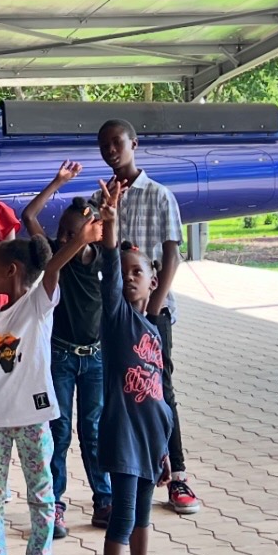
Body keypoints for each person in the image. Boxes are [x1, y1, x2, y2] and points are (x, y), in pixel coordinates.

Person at [0, 221, 102, 555]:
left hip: (33, 416)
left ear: (10, 271)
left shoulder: (38, 304)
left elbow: (53, 267)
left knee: (41, 496)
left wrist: (80, 239)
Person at [97, 119, 200, 516]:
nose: (110, 149)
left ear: (133, 143)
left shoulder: (159, 195)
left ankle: (177, 475)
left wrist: (155, 306)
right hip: (118, 315)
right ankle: (131, 471)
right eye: (103, 144)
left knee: (161, 390)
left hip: (153, 312)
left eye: (117, 142)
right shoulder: (101, 196)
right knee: (124, 389)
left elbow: (173, 254)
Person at [92, 180, 176, 555]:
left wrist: (164, 451)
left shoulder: (154, 330)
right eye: (122, 271)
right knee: (123, 520)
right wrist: (111, 219)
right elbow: (108, 262)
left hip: (149, 440)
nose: (127, 276)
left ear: (153, 277)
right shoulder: (118, 318)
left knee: (145, 519)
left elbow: (160, 394)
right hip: (123, 436)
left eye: (136, 271)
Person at [23, 162, 113, 536]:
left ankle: (104, 500)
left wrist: (108, 218)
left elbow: (111, 243)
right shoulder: (54, 259)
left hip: (94, 359)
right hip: (59, 357)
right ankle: (54, 503)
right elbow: (29, 215)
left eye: (73, 233)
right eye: (62, 232)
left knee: (93, 431)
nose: (64, 238)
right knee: (58, 430)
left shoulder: (104, 259)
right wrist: (57, 182)